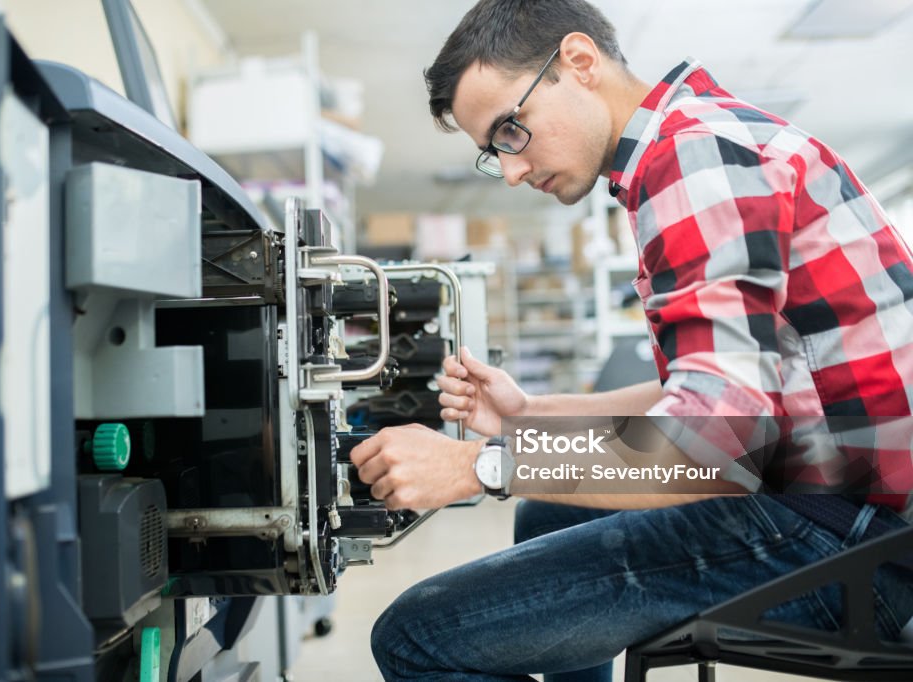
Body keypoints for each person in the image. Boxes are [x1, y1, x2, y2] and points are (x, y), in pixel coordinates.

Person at [348, 1, 913, 680]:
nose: (514, 170)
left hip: (852, 545)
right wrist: (531, 417)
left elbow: (717, 440)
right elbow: (732, 395)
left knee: (416, 635)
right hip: (846, 506)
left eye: (510, 131)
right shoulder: (697, 142)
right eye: (493, 153)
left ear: (580, 63)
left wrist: (479, 467)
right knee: (546, 513)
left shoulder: (694, 158)